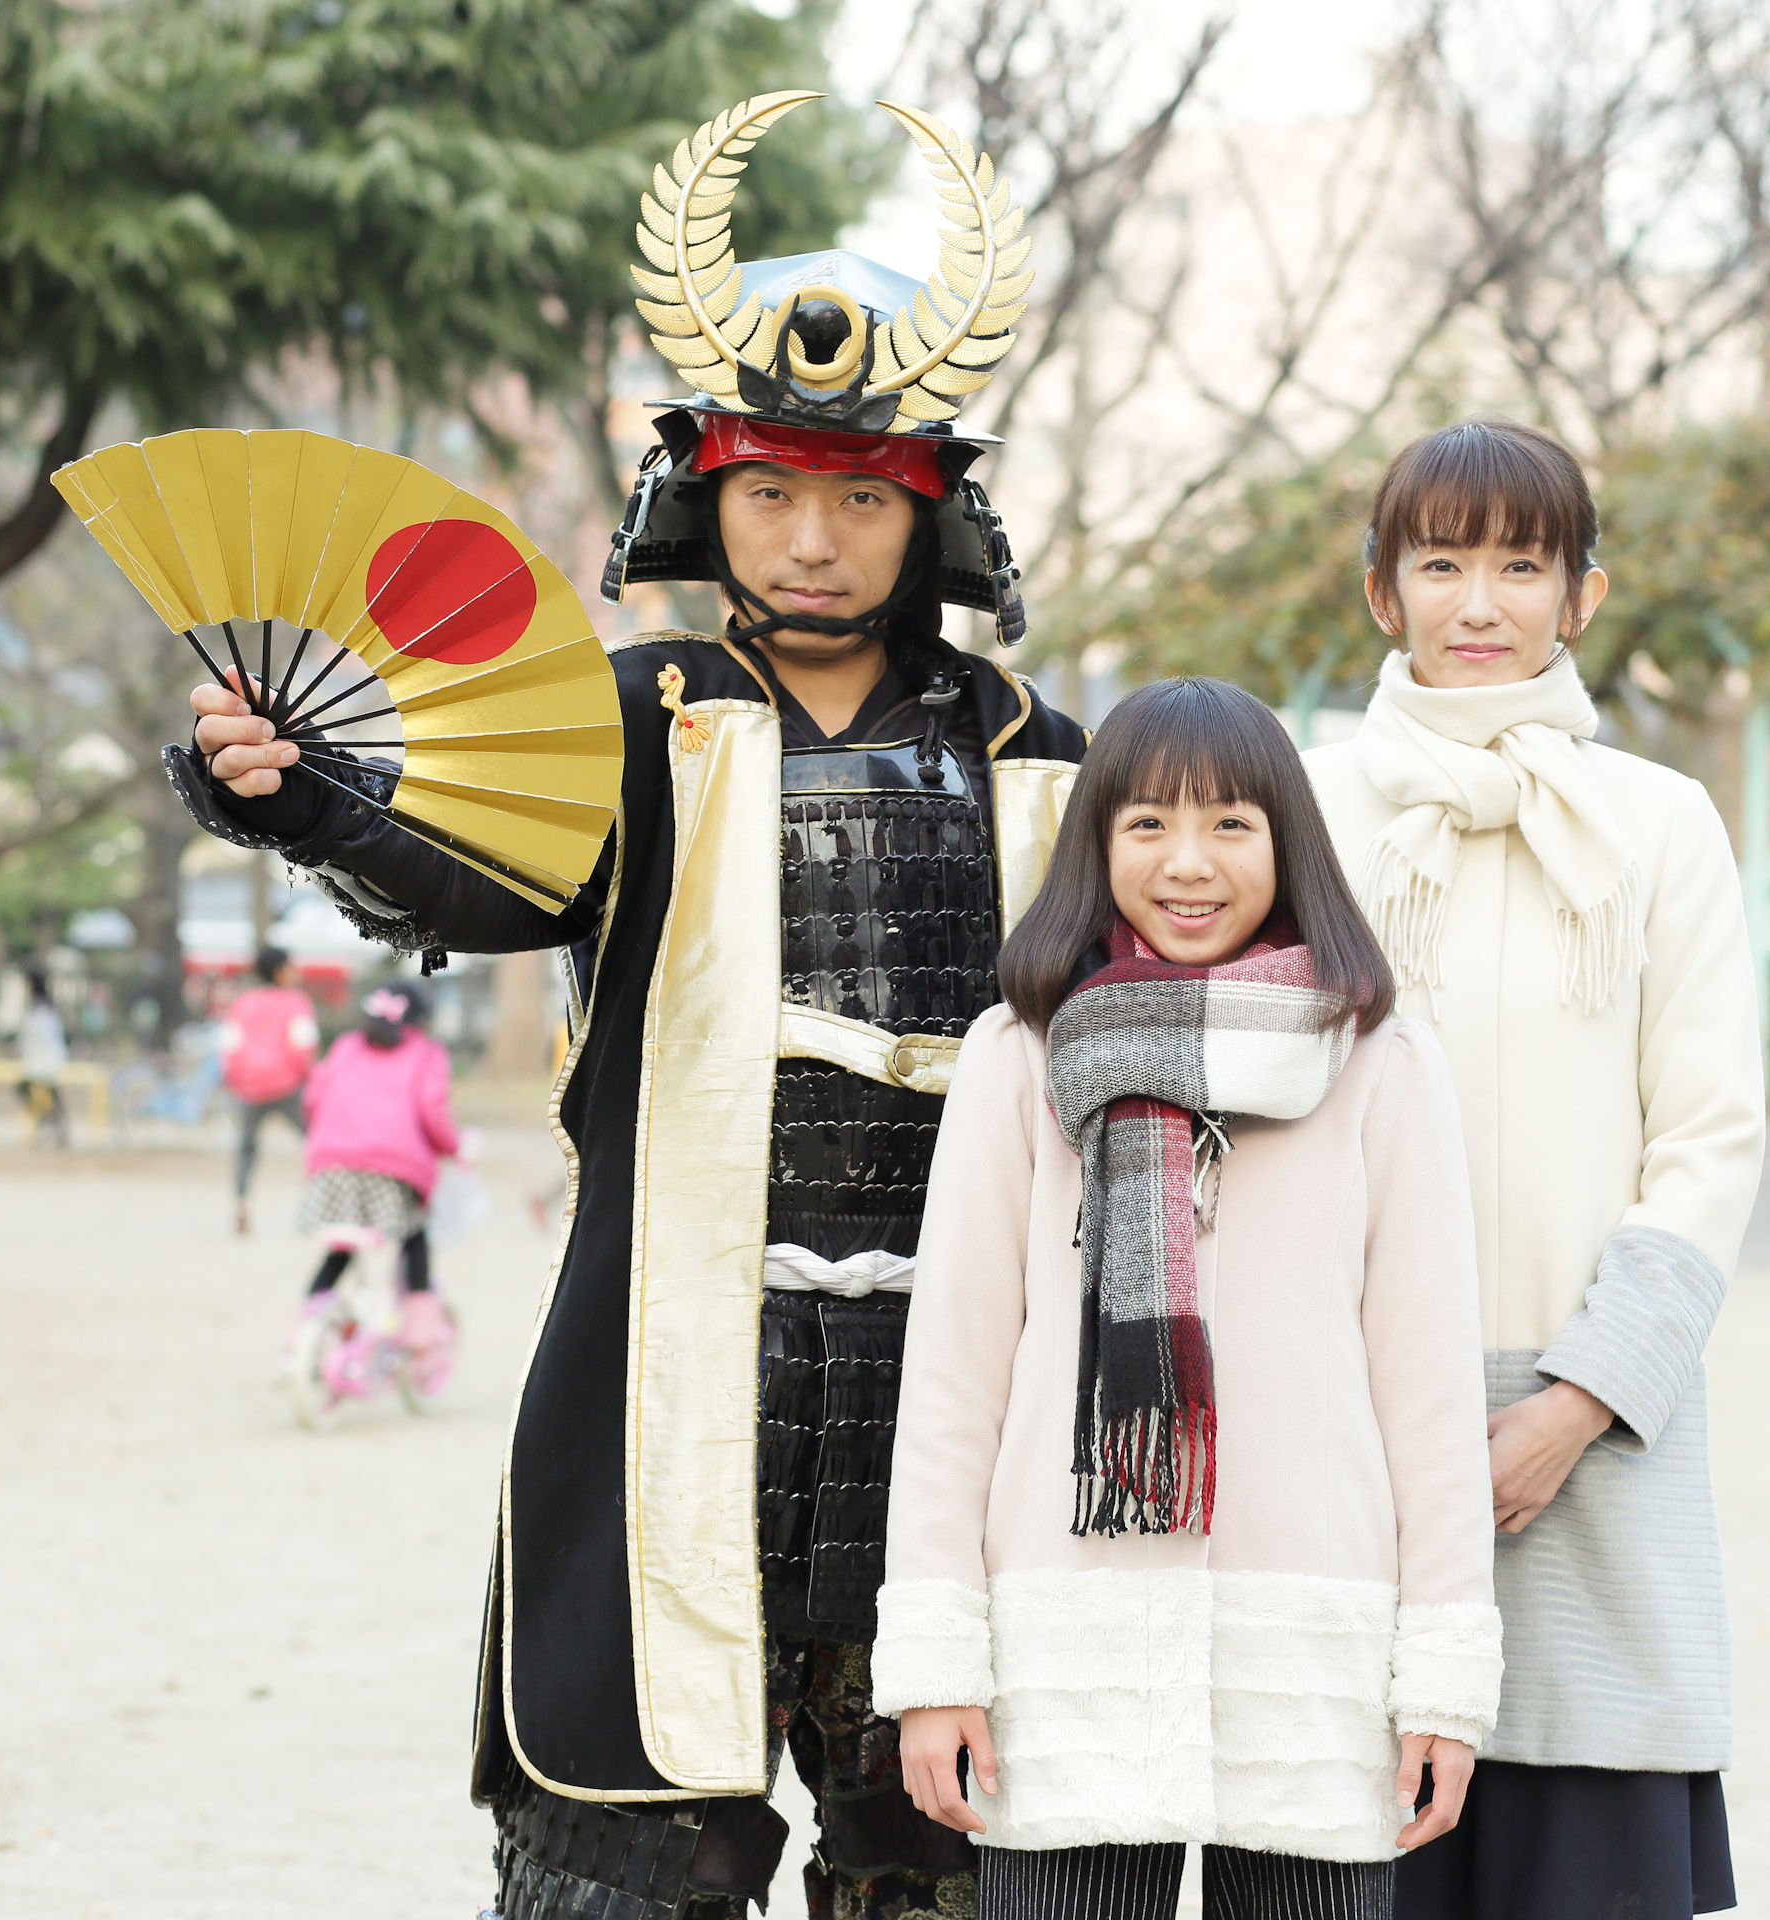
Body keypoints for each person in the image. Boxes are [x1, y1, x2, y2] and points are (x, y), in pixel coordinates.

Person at [165, 94, 1085, 1920]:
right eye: (768, 492)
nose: (811, 539)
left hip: (964, 1367)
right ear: (703, 498)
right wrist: (295, 801)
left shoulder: (1039, 758)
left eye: (855, 497)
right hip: (679, 1353)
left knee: (958, 1856)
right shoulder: (629, 715)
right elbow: (468, 878)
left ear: (933, 518)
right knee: (618, 1855)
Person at [876, 677, 1501, 1920]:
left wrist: (1440, 1684)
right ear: (1096, 845)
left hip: (1312, 1648)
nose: (1189, 863)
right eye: (1148, 824)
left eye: (1231, 823)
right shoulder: (1020, 1056)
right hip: (1066, 1644)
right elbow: (954, 1377)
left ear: (1288, 842)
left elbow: (1428, 1395)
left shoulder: (1380, 1062)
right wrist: (939, 1667)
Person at [1305, 420, 1765, 1920]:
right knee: (1354, 1848)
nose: (1481, 602)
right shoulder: (1295, 809)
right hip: (1350, 1429)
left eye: (1523, 563)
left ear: (1586, 592)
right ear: (1383, 590)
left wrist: (1577, 1403)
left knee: (1590, 1865)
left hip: (1596, 1436)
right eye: (1442, 563)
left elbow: (1707, 1140)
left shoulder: (1660, 822)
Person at [295, 983, 460, 1370]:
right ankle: (420, 1333)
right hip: (393, 1170)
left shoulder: (347, 1046)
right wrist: (454, 1148)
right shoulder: (426, 1053)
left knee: (342, 1244)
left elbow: (312, 1098)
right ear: (421, 1020)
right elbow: (433, 1113)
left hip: (332, 1164)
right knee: (413, 1236)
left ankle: (302, 1329)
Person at [221, 946, 319, 1232]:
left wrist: (239, 1079)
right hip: (288, 1086)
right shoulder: (296, 1002)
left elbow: (230, 1046)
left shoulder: (244, 1003)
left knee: (245, 1147)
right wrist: (305, 1077)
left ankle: (241, 1204)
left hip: (249, 1087)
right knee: (316, 1141)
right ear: (280, 971)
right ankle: (316, 1201)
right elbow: (304, 1047)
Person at [13, 966, 70, 1148]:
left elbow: (40, 1037)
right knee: (45, 1095)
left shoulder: (40, 1007)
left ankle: (52, 1125)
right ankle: (53, 1125)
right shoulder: (42, 1005)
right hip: (42, 1059)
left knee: (32, 1091)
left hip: (42, 1061)